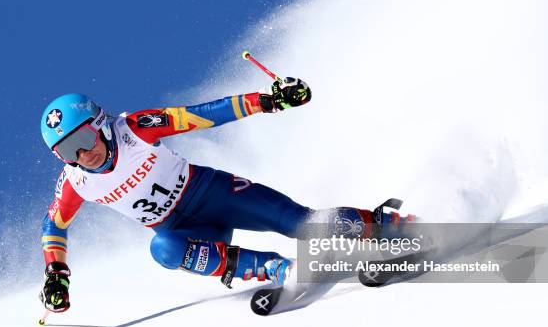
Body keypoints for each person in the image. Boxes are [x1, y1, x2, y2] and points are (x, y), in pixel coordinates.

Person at [38, 78, 413, 312]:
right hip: (187, 230)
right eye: (69, 152)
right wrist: (56, 273)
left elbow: (201, 115)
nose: (84, 155)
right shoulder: (77, 181)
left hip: (214, 193)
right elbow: (54, 224)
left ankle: (385, 227)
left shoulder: (133, 128)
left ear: (101, 125)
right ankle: (277, 268)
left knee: (305, 225)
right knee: (163, 250)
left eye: (84, 140)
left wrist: (267, 100)